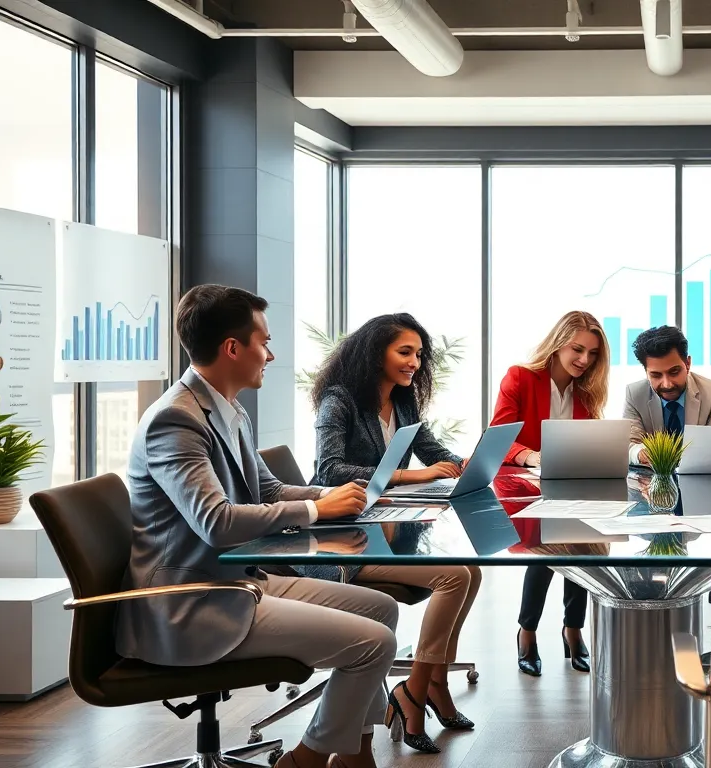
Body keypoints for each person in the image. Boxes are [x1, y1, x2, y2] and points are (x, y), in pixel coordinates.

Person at [120, 285, 397, 768]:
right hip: (191, 603)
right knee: (376, 644)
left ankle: (354, 755)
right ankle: (306, 761)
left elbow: (267, 492)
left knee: (382, 610)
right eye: (264, 342)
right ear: (232, 348)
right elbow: (217, 521)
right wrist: (316, 511)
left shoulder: (229, 409)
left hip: (239, 582)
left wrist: (331, 498)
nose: (270, 354)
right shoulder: (175, 420)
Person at [308, 313, 483, 754]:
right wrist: (409, 477)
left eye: (419, 354)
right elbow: (328, 471)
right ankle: (413, 691)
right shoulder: (339, 399)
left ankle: (435, 684)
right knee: (455, 576)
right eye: (405, 352)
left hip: (385, 528)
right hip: (345, 539)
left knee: (473, 570)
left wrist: (469, 464)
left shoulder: (402, 401)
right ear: (375, 353)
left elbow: (434, 452)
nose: (414, 363)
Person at [489, 310, 611, 676]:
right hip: (525, 490)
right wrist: (528, 455)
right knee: (543, 549)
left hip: (571, 486)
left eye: (592, 353)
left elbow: (587, 442)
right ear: (558, 343)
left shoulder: (587, 390)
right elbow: (499, 434)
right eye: (577, 349)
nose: (584, 360)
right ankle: (527, 633)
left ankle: (573, 630)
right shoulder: (521, 377)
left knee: (590, 546)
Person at [624, 325, 711, 465]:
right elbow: (629, 445)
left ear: (688, 364)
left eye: (674, 372)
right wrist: (640, 453)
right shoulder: (635, 394)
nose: (667, 384)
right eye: (656, 375)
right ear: (646, 372)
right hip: (650, 483)